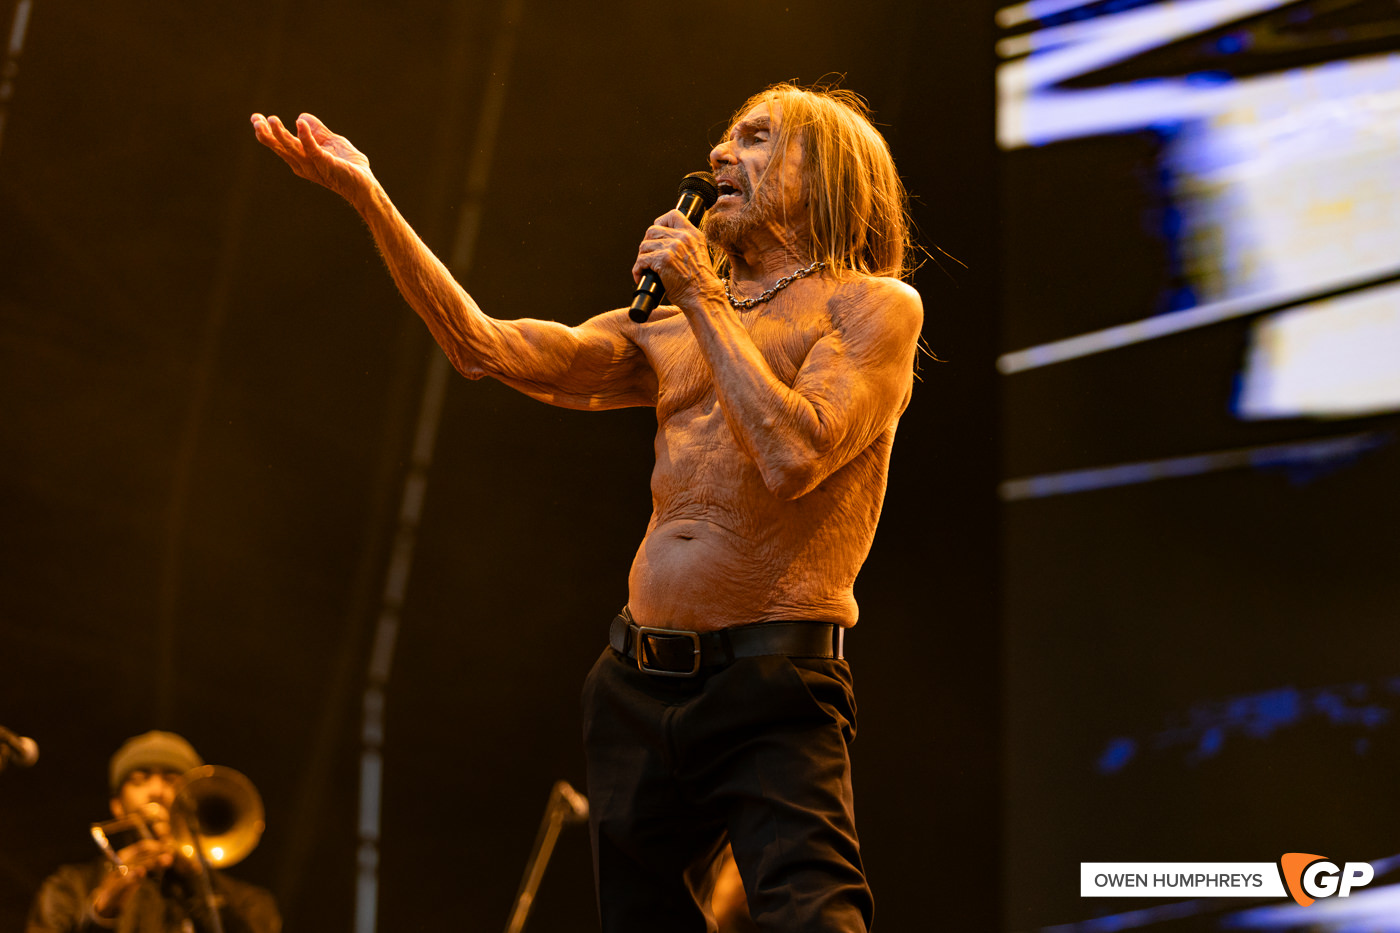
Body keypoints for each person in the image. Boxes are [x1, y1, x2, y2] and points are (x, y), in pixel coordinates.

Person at [251, 81, 922, 932]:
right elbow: (480, 346)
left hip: (772, 678)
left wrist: (702, 296)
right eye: (724, 138)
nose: (721, 155)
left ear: (827, 175)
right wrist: (368, 195)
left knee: (813, 915)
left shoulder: (869, 306)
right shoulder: (669, 327)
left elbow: (795, 456)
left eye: (755, 139)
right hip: (636, 682)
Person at [26, 731, 280, 933]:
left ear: (194, 799)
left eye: (171, 779)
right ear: (117, 805)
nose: (156, 790)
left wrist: (198, 884)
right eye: (139, 779)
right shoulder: (69, 887)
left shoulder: (249, 902)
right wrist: (101, 915)